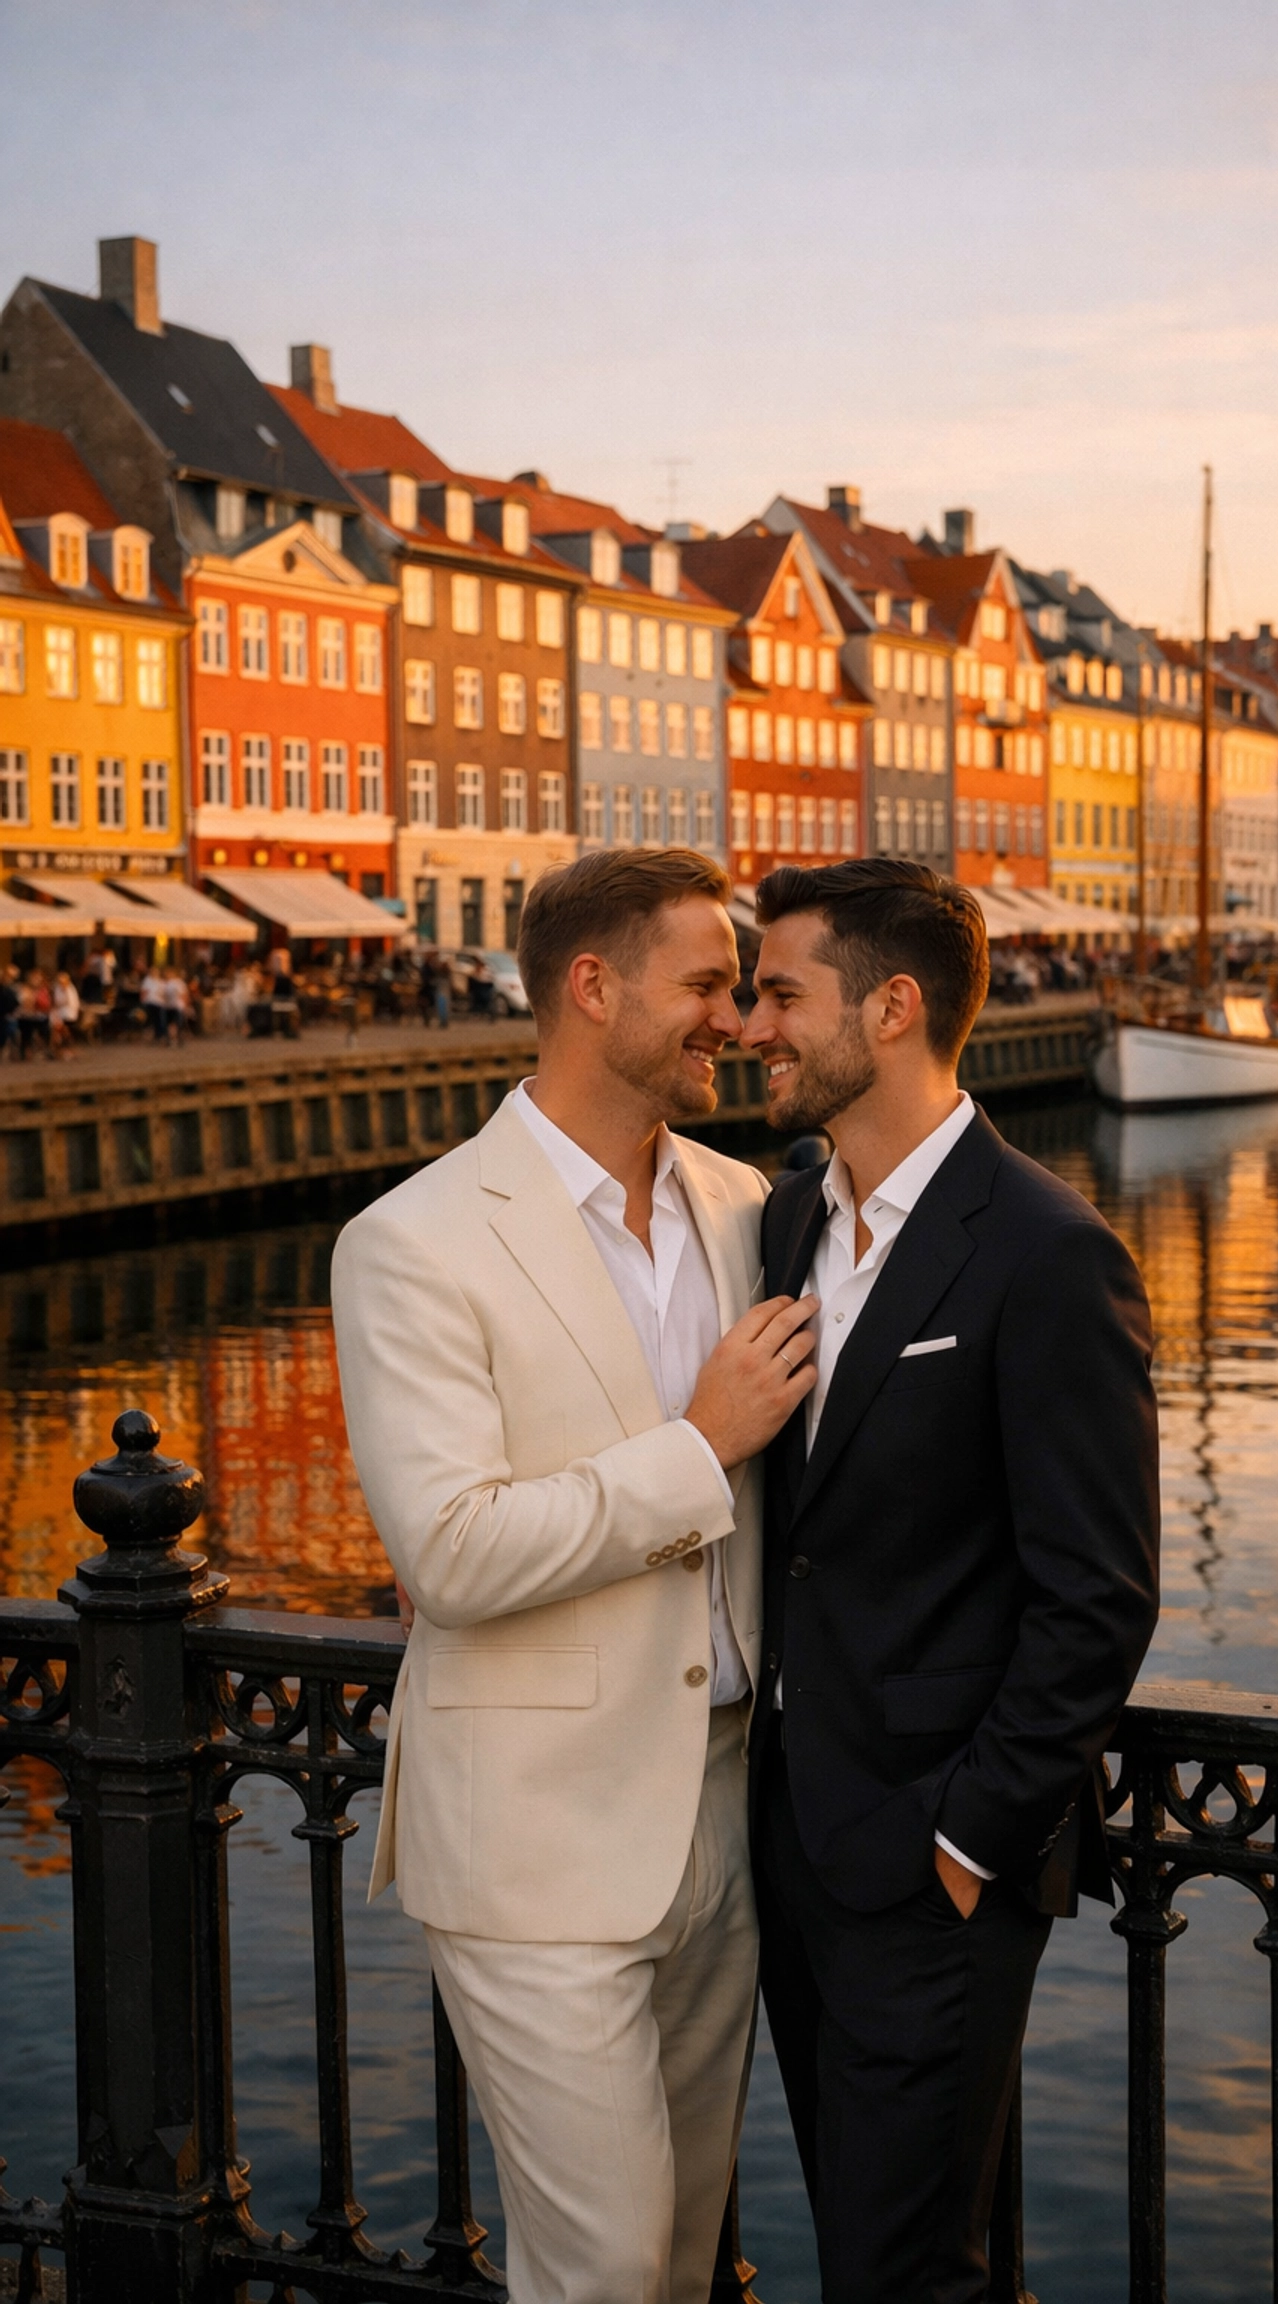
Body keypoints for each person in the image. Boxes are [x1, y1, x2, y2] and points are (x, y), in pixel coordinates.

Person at [330, 849, 818, 2304]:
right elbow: (455, 1553)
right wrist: (696, 1446)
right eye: (709, 985)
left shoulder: (753, 1211)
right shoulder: (412, 1244)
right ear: (593, 990)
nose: (736, 1020)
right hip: (534, 1843)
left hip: (722, 1823)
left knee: (674, 2257)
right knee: (599, 2271)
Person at [740, 858, 1160, 2304]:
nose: (754, 1025)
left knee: (907, 2276)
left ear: (894, 1006)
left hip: (930, 1868)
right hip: (794, 1834)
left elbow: (1098, 1595)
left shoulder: (1048, 1251)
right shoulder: (794, 1218)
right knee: (868, 2246)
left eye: (783, 991)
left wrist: (968, 1846)